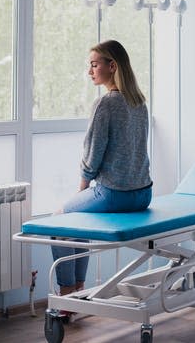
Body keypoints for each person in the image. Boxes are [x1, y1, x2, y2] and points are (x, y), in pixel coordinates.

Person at [51, 40, 152, 306]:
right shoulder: (139, 102)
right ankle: (80, 289)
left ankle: (67, 296)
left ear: (112, 66)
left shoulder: (105, 104)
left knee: (59, 220)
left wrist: (82, 189)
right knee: (77, 222)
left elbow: (92, 155)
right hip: (143, 195)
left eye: (94, 65)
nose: (90, 71)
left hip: (114, 194)